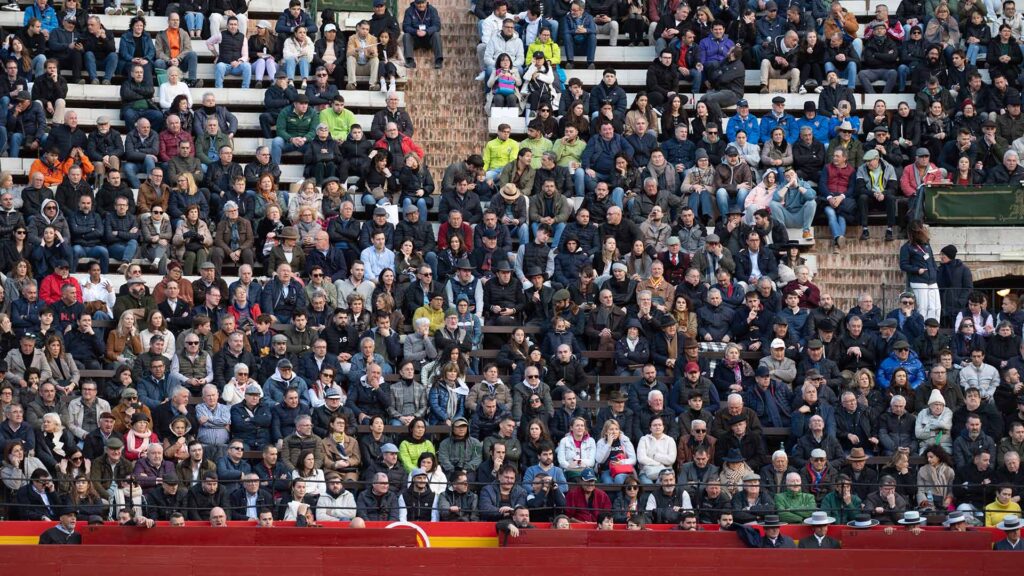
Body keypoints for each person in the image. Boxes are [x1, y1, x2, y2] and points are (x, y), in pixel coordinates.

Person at [402, 0, 443, 69]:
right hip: (415, 39)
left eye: (422, 3)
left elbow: (437, 26)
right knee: (406, 36)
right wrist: (415, 31)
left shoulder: (432, 10)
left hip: (428, 38)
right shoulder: (409, 11)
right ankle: (410, 61)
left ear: (426, 2)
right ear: (415, 3)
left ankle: (438, 61)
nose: (421, 5)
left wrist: (426, 32)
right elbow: (406, 27)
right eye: (418, 3)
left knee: (436, 34)